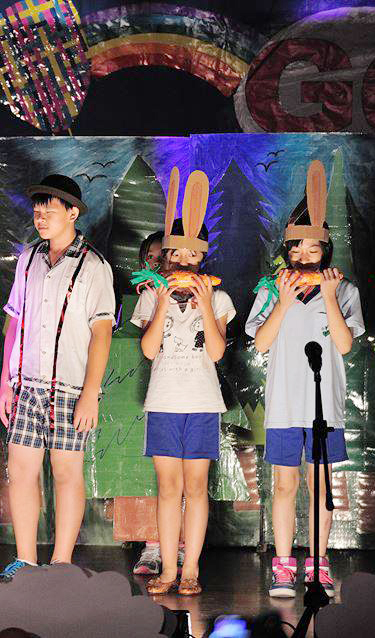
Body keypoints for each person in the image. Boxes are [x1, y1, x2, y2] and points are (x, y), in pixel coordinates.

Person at [0, 174, 115, 587]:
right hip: (28, 383)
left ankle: (61, 564)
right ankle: (24, 562)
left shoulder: (93, 266)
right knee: (21, 470)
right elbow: (14, 322)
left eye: (50, 210)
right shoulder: (28, 259)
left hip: (71, 387)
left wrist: (91, 393)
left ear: (73, 213)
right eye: (37, 210)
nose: (41, 217)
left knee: (65, 472)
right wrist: (6, 383)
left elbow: (102, 331)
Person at [245, 160, 363, 599]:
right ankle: (282, 566)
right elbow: (261, 342)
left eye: (313, 250)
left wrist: (329, 297)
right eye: (296, 249)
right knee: (284, 484)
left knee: (319, 487)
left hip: (324, 407)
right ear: (287, 250)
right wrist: (283, 301)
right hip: (283, 406)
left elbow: (345, 345)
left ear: (325, 251)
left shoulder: (344, 290)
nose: (304, 257)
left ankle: (318, 564)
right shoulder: (271, 289)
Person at [131, 168, 235, 596]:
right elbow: (148, 350)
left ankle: (190, 568)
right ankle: (169, 569)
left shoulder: (219, 297)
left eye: (193, 256)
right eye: (177, 254)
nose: (184, 263)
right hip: (163, 401)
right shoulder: (149, 295)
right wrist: (160, 303)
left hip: (203, 402)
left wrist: (206, 305)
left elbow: (217, 352)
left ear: (202, 259)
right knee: (168, 488)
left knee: (196, 486)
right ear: (167, 255)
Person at [129, 230, 185, 577]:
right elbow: (145, 346)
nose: (158, 262)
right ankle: (153, 545)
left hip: (188, 395)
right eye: (151, 257)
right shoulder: (145, 296)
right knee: (155, 478)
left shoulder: (203, 294)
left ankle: (180, 546)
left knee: (184, 481)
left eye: (163, 255)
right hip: (148, 396)